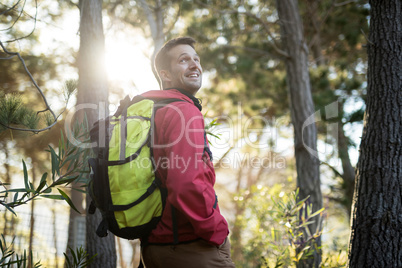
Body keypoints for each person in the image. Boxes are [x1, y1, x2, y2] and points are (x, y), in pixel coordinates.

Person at [139, 37, 235, 268]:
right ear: (166, 75)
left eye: (196, 59)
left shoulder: (152, 111)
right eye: (184, 60)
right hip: (190, 246)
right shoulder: (184, 111)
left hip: (153, 246)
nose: (195, 65)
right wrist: (215, 230)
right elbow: (185, 183)